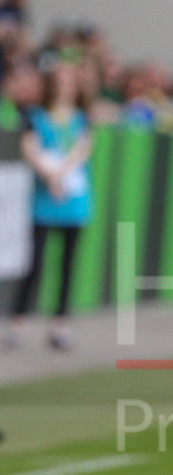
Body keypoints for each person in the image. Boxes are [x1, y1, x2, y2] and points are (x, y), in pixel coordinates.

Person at [5, 59, 92, 351]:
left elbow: (82, 150)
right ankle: (18, 322)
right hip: (44, 201)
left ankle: (60, 324)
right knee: (35, 264)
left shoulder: (81, 117)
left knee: (67, 265)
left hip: (73, 201)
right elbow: (30, 148)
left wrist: (62, 173)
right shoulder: (36, 116)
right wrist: (49, 174)